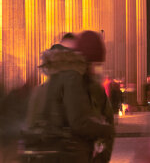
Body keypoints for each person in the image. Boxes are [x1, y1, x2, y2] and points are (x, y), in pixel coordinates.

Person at [25, 37, 112, 162]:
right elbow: (78, 122)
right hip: (70, 155)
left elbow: (31, 125)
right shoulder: (72, 79)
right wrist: (106, 130)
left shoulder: (43, 88)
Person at [73, 31, 117, 163]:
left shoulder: (97, 91)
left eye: (98, 64)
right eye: (92, 64)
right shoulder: (68, 87)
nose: (96, 69)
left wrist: (102, 158)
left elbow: (109, 129)